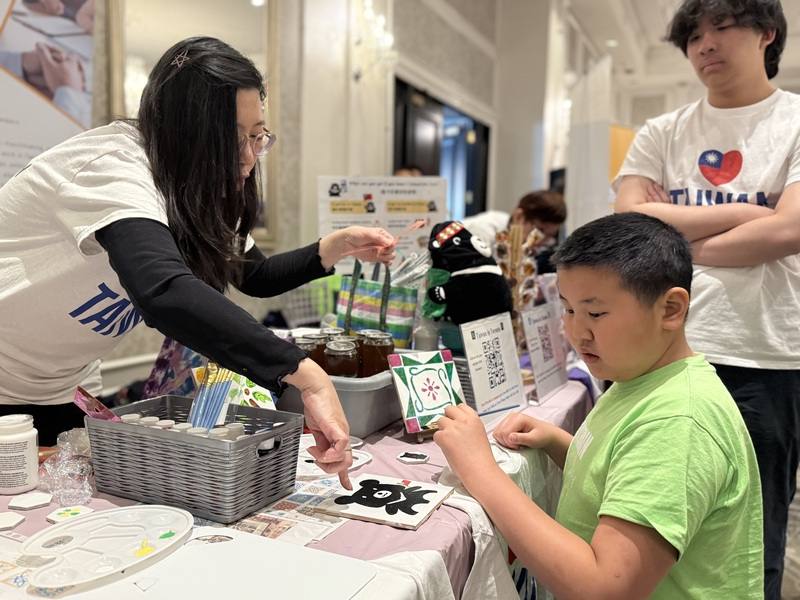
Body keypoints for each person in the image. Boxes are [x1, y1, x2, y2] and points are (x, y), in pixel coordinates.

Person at [0, 37, 397, 487]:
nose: (249, 157)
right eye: (233, 139)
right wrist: (306, 376)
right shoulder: (112, 166)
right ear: (184, 135)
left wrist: (335, 246)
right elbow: (162, 290)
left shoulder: (197, 189)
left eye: (257, 136)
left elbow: (255, 274)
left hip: (57, 384)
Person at [434, 212, 763, 599]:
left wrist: (480, 470)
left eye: (595, 313)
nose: (577, 331)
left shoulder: (679, 420)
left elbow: (603, 588)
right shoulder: (642, 378)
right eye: (569, 310)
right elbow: (627, 475)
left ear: (671, 309)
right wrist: (558, 442)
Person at [613, 1, 799, 595]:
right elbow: (630, 226)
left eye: (722, 27)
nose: (704, 45)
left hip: (765, 354)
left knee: (751, 535)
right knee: (644, 518)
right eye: (693, 35)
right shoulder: (662, 131)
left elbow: (790, 230)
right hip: (662, 350)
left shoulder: (795, 121)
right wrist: (748, 213)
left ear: (766, 33)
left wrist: (675, 239)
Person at [461, 189, 565, 251]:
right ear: (519, 216)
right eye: (540, 231)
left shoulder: (526, 245)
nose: (541, 242)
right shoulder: (482, 231)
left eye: (550, 236)